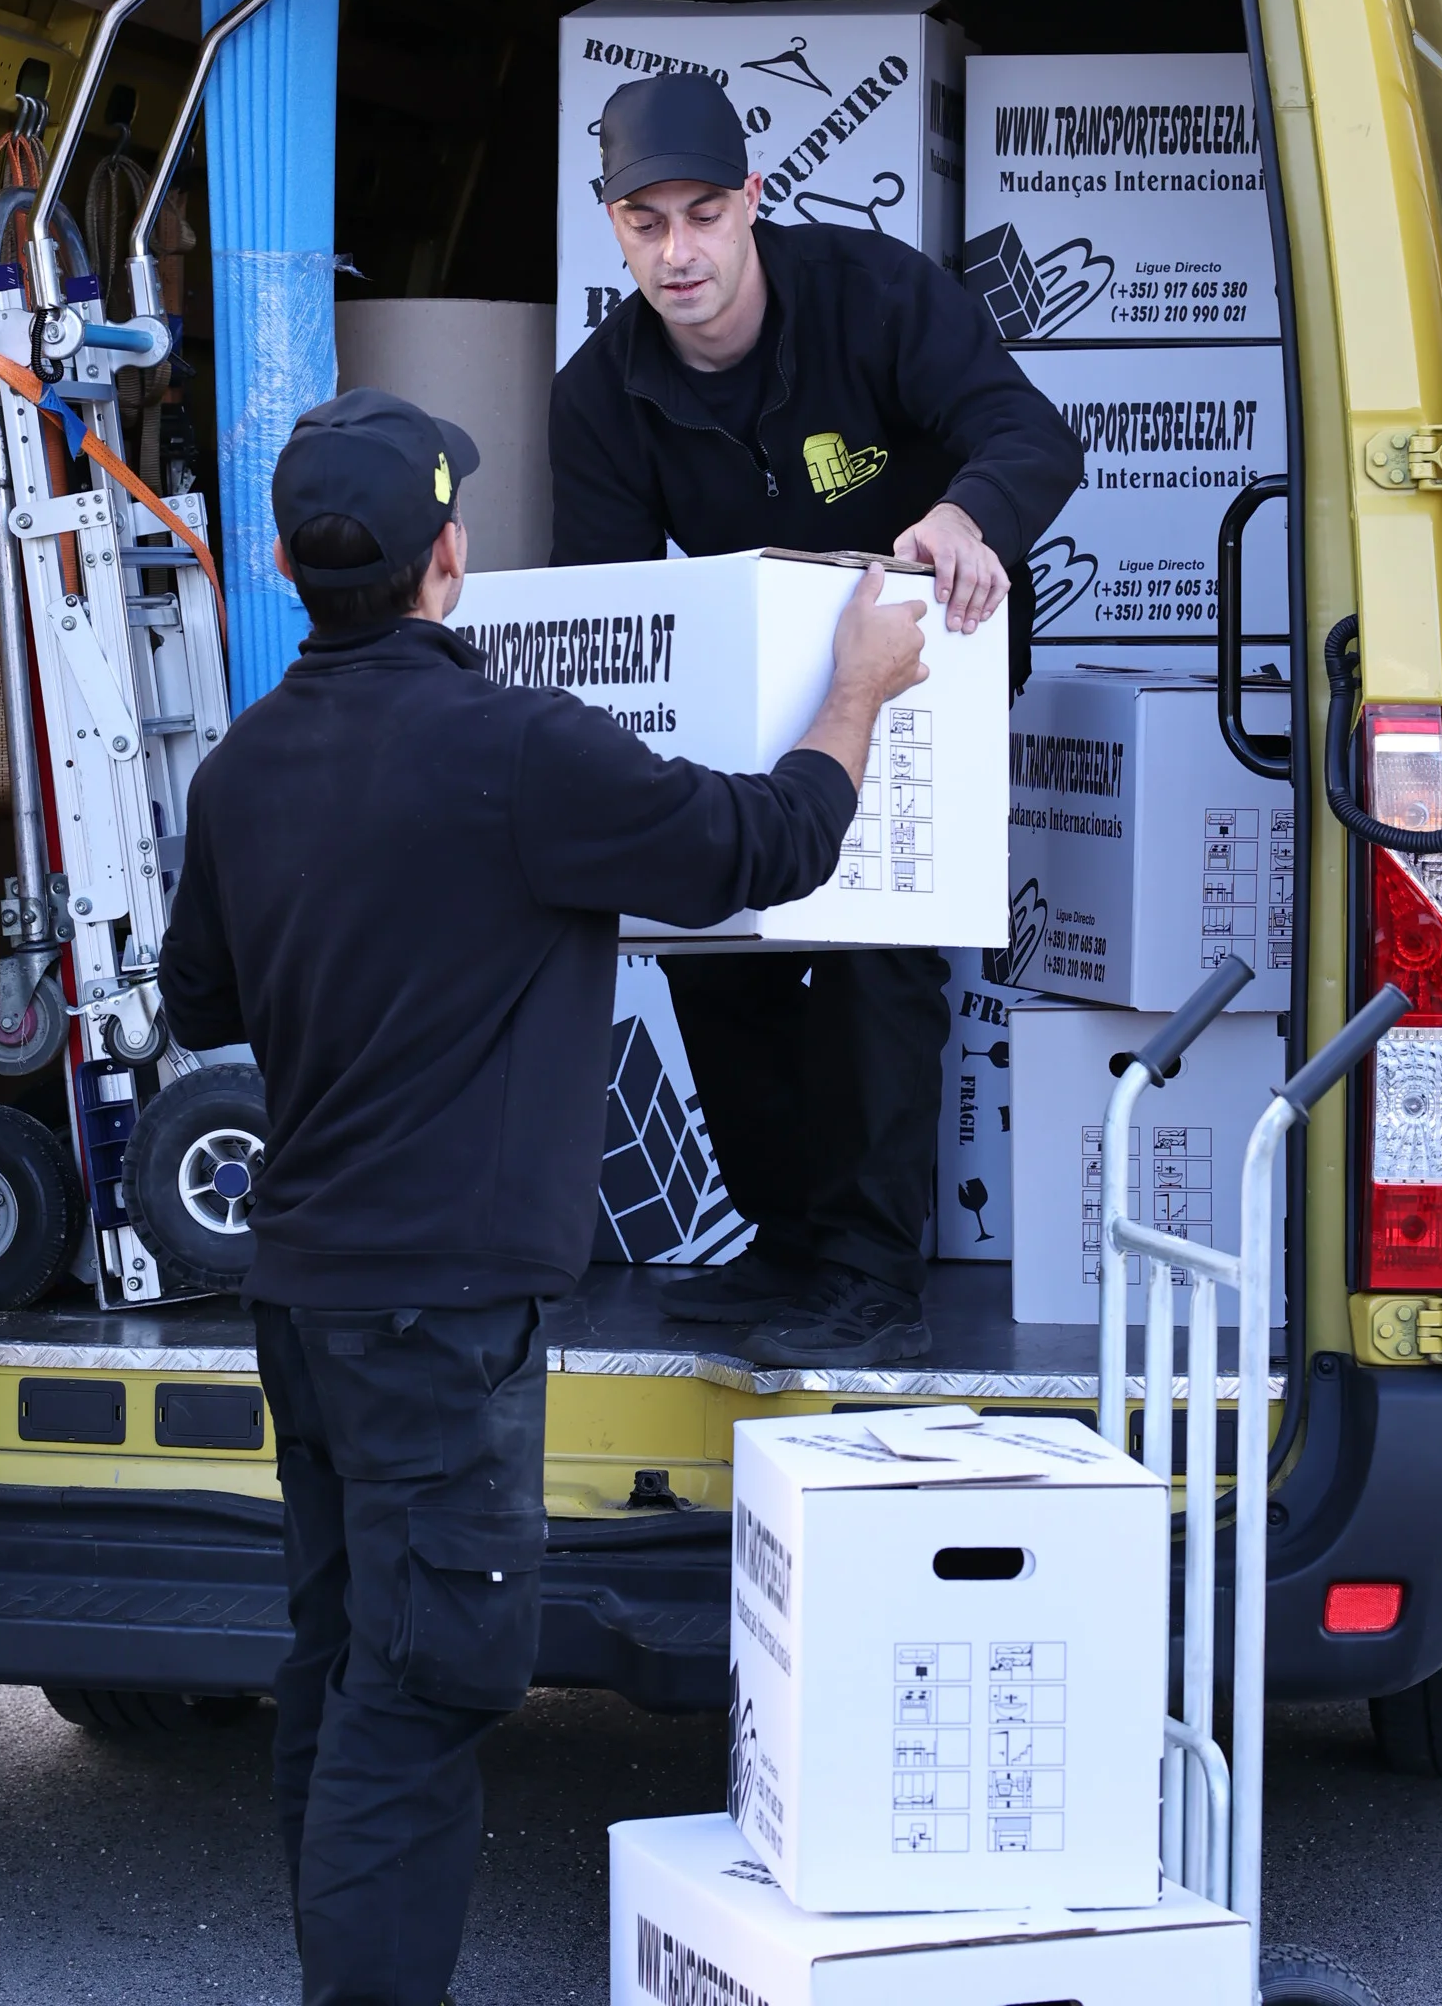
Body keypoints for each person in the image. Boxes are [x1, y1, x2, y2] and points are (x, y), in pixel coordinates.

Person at [156, 384, 928, 2006]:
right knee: (424, 1686)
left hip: (305, 1296)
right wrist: (858, 689)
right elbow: (770, 846)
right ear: (452, 556)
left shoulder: (245, 766)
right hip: (440, 1313)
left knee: (349, 1662)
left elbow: (200, 1006)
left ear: (297, 568)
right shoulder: (518, 752)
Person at [549, 69, 1085, 1366]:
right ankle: (787, 1242)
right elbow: (620, 610)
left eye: (702, 215)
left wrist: (971, 514)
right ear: (611, 223)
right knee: (702, 927)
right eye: (645, 224)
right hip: (751, 680)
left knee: (872, 953)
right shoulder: (598, 394)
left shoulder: (871, 291)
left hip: (923, 653)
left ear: (752, 201)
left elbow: (1031, 435)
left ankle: (868, 1275)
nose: (677, 253)